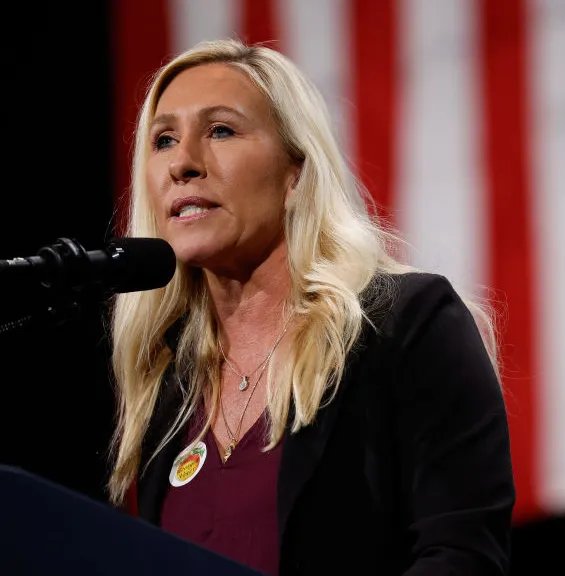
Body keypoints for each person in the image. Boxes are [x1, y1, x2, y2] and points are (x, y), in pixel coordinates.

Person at [106, 38, 515, 575]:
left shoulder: (403, 325)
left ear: (295, 173)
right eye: (163, 140)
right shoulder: (166, 388)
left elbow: (463, 555)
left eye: (221, 130)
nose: (182, 163)